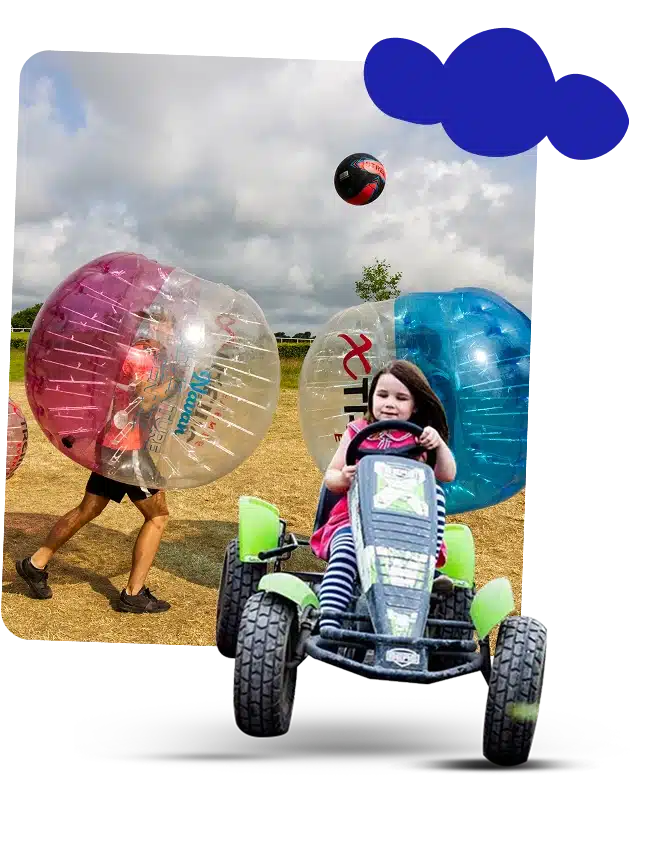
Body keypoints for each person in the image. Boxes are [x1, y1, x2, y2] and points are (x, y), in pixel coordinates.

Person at [16, 306, 181, 613]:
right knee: (157, 516)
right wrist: (174, 384)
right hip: (127, 448)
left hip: (116, 442)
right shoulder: (141, 357)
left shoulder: (148, 355)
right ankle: (133, 593)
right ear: (154, 326)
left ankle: (35, 564)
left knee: (88, 508)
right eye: (168, 326)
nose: (172, 332)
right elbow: (144, 399)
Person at [311, 359, 457, 632]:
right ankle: (329, 620)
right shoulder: (356, 432)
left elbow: (447, 474)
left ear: (415, 405)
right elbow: (330, 477)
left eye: (401, 398)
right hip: (355, 523)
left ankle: (427, 573)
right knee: (345, 554)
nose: (389, 403)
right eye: (382, 395)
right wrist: (343, 477)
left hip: (409, 526)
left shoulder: (421, 439)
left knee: (435, 491)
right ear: (372, 398)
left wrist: (438, 444)